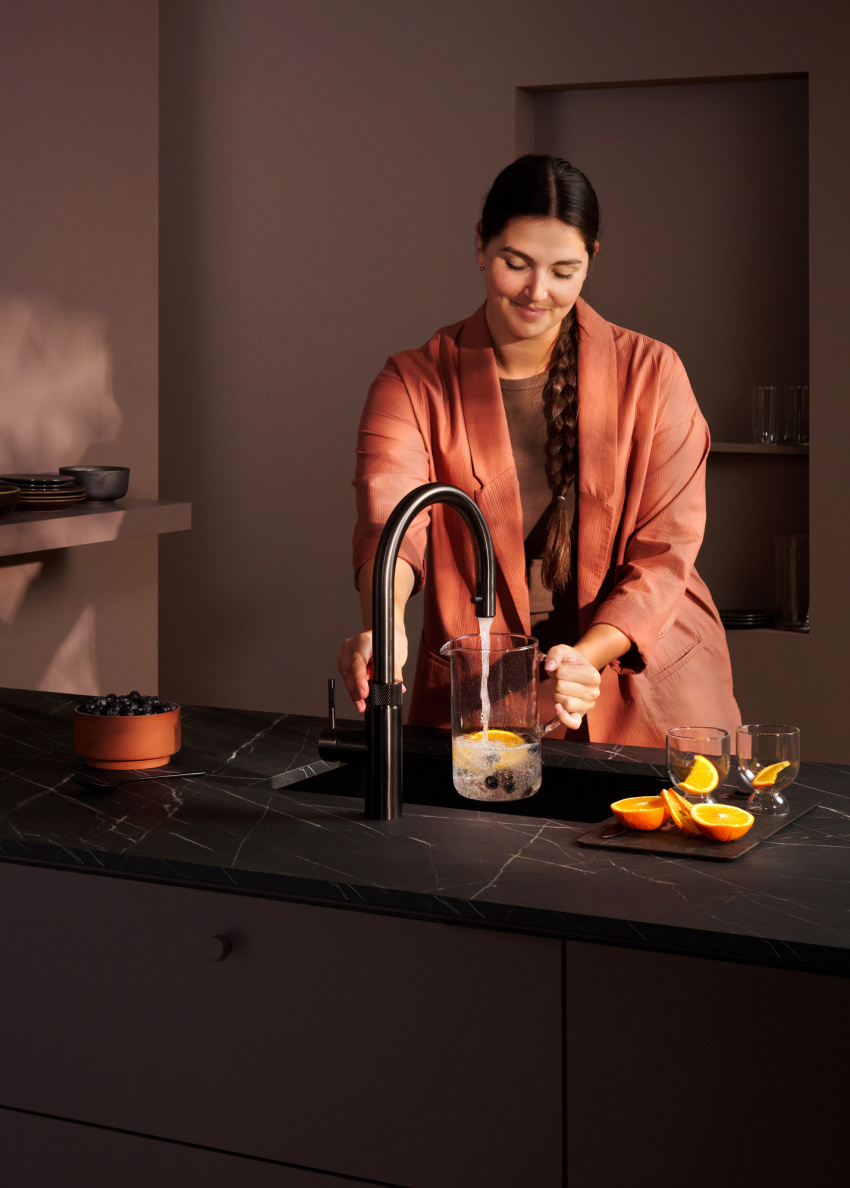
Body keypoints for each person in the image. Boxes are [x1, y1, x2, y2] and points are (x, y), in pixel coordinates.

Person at [338, 154, 740, 747]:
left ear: (591, 259)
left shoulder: (654, 374)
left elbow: (665, 553)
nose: (537, 291)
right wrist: (386, 623)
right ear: (481, 245)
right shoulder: (411, 382)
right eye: (515, 263)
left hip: (649, 691)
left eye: (563, 270)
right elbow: (390, 525)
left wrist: (584, 659)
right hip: (486, 691)